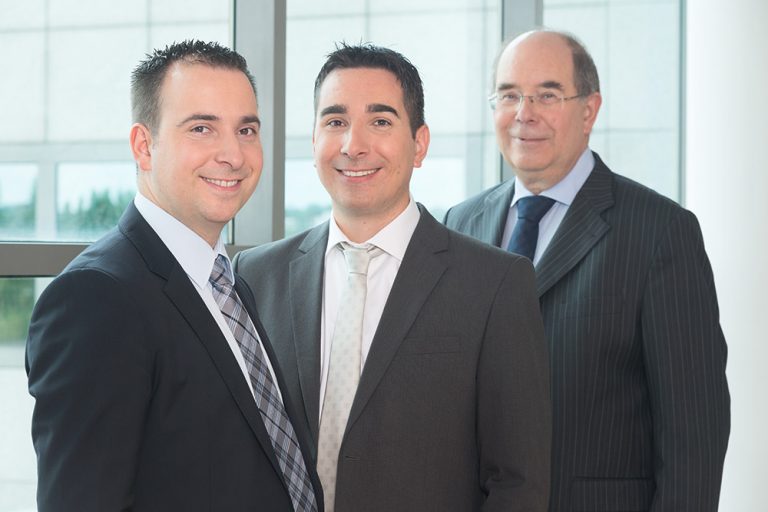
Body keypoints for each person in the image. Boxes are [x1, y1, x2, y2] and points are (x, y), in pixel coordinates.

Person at [234, 43, 551, 512]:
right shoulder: (255, 277)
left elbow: (517, 482)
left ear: (419, 144)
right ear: (314, 141)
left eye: (380, 121)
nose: (353, 145)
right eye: (335, 122)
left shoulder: (494, 284)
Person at [26, 40, 322, 512]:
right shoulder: (95, 299)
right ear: (144, 146)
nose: (233, 154)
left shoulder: (229, 283)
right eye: (202, 128)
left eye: (246, 130)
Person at [444, 29, 730, 512]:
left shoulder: (660, 231)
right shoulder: (459, 224)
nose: (524, 113)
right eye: (509, 95)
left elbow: (694, 436)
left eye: (547, 95)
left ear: (589, 110)